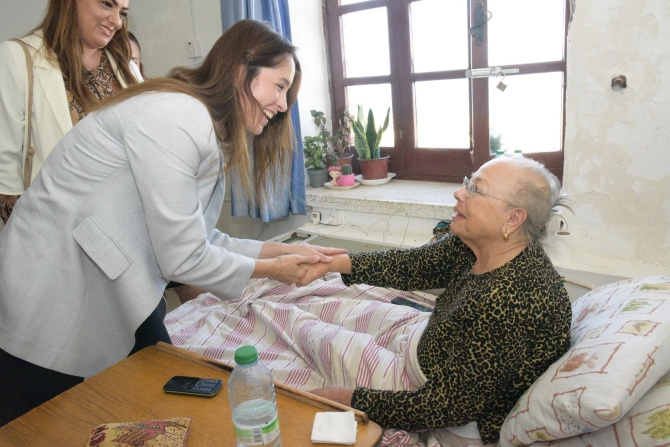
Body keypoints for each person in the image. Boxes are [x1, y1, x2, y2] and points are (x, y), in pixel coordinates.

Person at [0, 19, 345, 427]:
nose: (283, 105)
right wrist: (276, 270)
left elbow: (202, 237)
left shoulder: (206, 127)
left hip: (111, 284)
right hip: (52, 291)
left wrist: (286, 251)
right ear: (241, 72)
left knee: (151, 402)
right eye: (280, 85)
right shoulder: (178, 116)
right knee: (37, 426)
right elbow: (183, 258)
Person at [298, 156, 573, 445]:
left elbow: (443, 407)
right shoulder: (481, 244)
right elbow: (416, 265)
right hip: (430, 345)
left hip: (437, 398)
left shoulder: (512, 299)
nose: (459, 193)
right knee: (335, 307)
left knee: (310, 332)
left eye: (476, 190)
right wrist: (335, 262)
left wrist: (347, 398)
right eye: (468, 182)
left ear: (513, 218)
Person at [0, 0, 142, 225]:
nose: (116, 22)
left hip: (125, 230)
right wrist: (36, 240)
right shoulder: (18, 58)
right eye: (107, 4)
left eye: (122, 13)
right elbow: (4, 170)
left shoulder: (127, 69)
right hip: (54, 234)